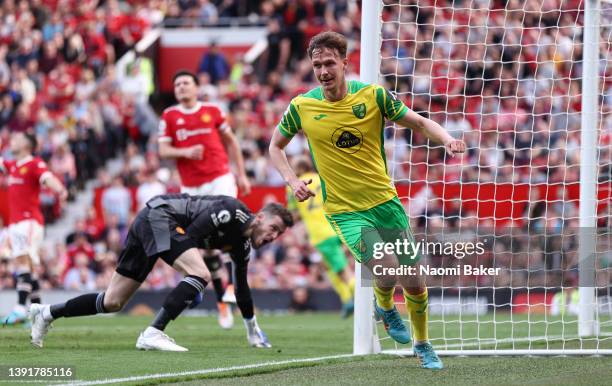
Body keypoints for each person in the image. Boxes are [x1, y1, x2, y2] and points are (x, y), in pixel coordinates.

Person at [269, 31, 466, 370]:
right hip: (346, 211)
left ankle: (422, 343)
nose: (323, 71)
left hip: (385, 202)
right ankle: (385, 306)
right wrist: (291, 180)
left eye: (330, 63)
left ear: (345, 63)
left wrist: (447, 139)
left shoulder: (373, 96)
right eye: (317, 65)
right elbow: (275, 146)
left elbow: (417, 122)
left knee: (415, 280)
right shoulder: (302, 106)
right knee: (386, 267)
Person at [29, 194, 294, 351]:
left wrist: (252, 330)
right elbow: (190, 236)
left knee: (112, 302)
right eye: (274, 228)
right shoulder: (230, 211)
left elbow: (242, 289)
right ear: (259, 217)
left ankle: (47, 312)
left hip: (151, 224)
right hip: (160, 216)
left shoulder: (242, 245)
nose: (274, 236)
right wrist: (192, 280)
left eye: (279, 234)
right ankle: (152, 332)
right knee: (201, 273)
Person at [158, 70, 251, 329]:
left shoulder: (212, 111)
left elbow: (232, 142)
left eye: (186, 82)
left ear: (197, 88)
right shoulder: (170, 116)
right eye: (177, 83)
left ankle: (233, 285)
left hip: (219, 178)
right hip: (192, 188)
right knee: (207, 247)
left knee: (231, 224)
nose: (181, 86)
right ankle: (223, 301)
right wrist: (186, 151)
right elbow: (163, 150)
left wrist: (241, 174)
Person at [0, 132, 67, 325]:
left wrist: (60, 189)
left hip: (28, 222)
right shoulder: (13, 166)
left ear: (27, 145)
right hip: (15, 223)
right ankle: (38, 312)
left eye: (17, 138)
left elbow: (47, 178)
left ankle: (21, 307)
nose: (13, 140)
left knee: (22, 261)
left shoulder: (34, 163)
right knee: (28, 268)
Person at [287, 156, 354, 318]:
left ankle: (368, 300)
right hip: (338, 226)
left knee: (343, 271)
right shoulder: (323, 179)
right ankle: (347, 300)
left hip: (321, 234)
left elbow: (294, 215)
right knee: (328, 267)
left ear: (299, 169)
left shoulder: (293, 187)